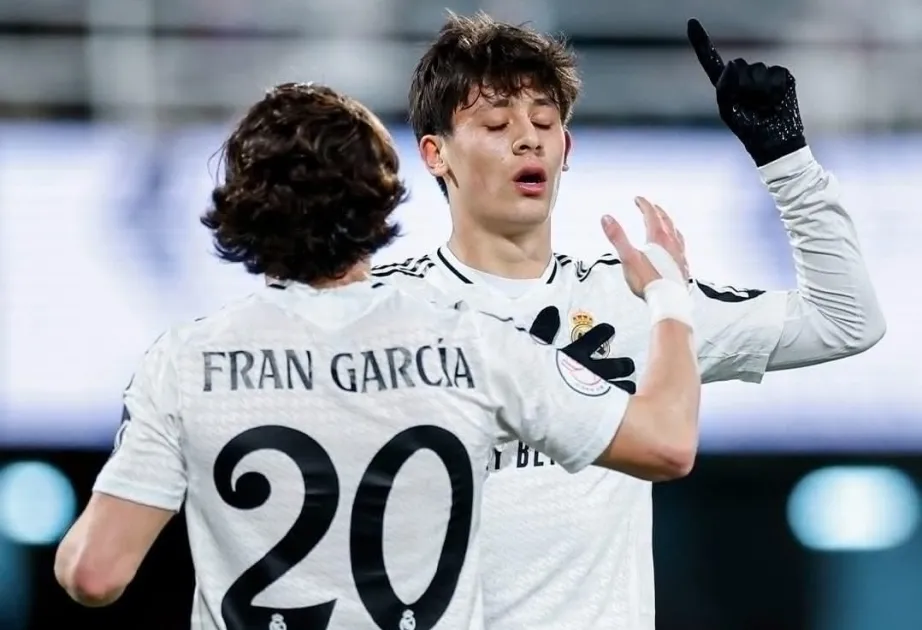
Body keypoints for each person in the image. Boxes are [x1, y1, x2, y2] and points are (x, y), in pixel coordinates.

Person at [54, 82, 702, 630]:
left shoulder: (187, 363)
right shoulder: (474, 344)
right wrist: (668, 296)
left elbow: (94, 573)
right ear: (383, 200)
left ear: (242, 209)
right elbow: (667, 445)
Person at [373, 13, 886, 630]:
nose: (529, 140)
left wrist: (785, 160)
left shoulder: (639, 299)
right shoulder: (383, 310)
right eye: (497, 124)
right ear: (435, 154)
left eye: (544, 122)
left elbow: (845, 320)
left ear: (567, 150)